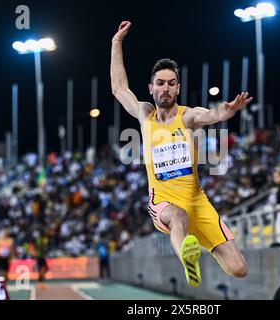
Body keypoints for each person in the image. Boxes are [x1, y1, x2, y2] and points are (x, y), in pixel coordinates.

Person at [110, 21, 252, 287]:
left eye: (171, 83)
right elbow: (119, 88)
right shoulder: (144, 115)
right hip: (163, 202)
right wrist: (116, 43)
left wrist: (228, 111)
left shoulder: (188, 117)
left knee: (239, 268)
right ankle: (187, 258)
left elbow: (212, 115)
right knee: (178, 217)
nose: (165, 88)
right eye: (160, 83)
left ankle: (196, 244)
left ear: (178, 88)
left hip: (197, 202)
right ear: (151, 88)